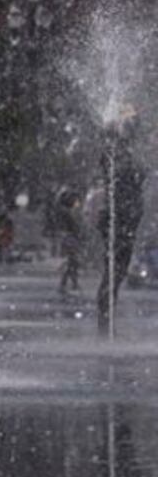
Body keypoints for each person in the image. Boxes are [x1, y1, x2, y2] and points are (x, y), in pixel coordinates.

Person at [98, 115, 146, 334]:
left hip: (126, 218)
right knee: (114, 268)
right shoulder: (114, 155)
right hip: (119, 218)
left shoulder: (123, 155)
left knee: (117, 270)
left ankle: (107, 318)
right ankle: (104, 321)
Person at [55, 189, 82, 295]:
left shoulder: (63, 211)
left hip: (68, 237)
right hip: (69, 238)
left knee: (72, 261)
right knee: (73, 261)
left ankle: (70, 283)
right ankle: (68, 283)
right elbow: (73, 226)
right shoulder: (66, 212)